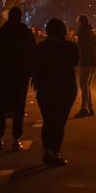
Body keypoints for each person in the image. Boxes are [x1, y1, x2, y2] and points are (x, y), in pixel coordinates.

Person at [32, 18, 79, 166]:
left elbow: (35, 67)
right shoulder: (70, 47)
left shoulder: (40, 48)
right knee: (59, 121)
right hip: (65, 89)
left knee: (48, 120)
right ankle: (53, 151)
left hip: (45, 90)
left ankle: (49, 150)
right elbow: (74, 62)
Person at [0, 6, 35, 150]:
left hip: (3, 76)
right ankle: (16, 139)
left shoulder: (0, 33)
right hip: (20, 76)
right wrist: (32, 73)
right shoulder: (26, 34)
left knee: (1, 108)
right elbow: (32, 55)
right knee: (18, 108)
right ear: (20, 17)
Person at [74, 15, 96, 118]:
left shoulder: (82, 33)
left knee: (83, 85)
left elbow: (81, 48)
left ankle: (84, 109)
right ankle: (90, 107)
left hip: (86, 62)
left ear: (80, 22)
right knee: (86, 85)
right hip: (92, 61)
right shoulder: (92, 32)